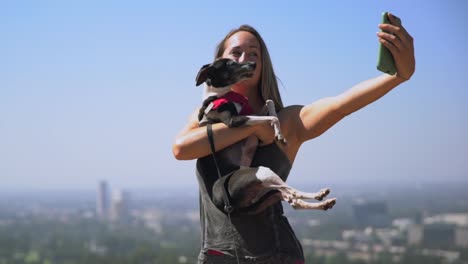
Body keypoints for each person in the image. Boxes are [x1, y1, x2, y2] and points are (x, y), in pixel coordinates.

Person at [173, 13, 415, 264]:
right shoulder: (205, 116)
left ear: (263, 65)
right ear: (219, 64)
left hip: (274, 256)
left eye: (254, 54)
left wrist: (396, 77)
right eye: (236, 53)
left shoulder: (286, 121)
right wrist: (253, 127)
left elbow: (340, 105)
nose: (246, 60)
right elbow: (180, 149)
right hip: (216, 257)